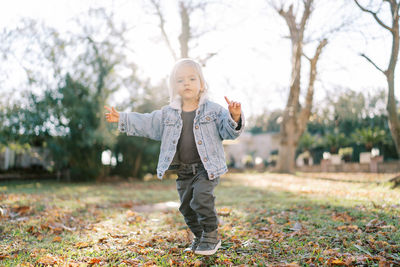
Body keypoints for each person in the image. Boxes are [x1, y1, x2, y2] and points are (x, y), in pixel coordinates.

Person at [104, 58, 244, 255]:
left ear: (201, 84)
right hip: (184, 170)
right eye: (180, 80)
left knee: (201, 199)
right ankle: (200, 237)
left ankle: (211, 236)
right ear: (174, 86)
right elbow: (147, 122)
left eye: (192, 78)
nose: (186, 83)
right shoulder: (168, 114)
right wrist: (123, 118)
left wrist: (235, 117)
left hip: (207, 169)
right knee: (186, 208)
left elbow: (228, 131)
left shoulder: (213, 110)